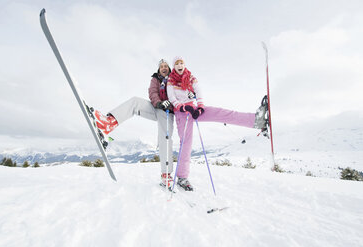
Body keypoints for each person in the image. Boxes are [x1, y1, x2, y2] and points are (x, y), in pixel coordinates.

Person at [167, 56, 267, 191]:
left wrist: (200, 106)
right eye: (177, 63)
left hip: (194, 109)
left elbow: (198, 91)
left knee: (221, 113)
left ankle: (256, 121)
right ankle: (182, 177)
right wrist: (183, 107)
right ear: (174, 66)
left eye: (181, 63)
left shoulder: (190, 77)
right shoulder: (171, 81)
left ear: (184, 65)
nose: (180, 65)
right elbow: (172, 98)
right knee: (186, 143)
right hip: (181, 113)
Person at [94, 59, 175, 188]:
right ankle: (109, 123)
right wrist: (159, 102)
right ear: (158, 70)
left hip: (168, 112)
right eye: (161, 67)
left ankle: (166, 174)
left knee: (165, 138)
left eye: (166, 66)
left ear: (169, 69)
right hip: (157, 107)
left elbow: (178, 92)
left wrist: (171, 102)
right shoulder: (155, 79)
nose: (164, 68)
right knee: (135, 101)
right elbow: (152, 92)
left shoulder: (174, 78)